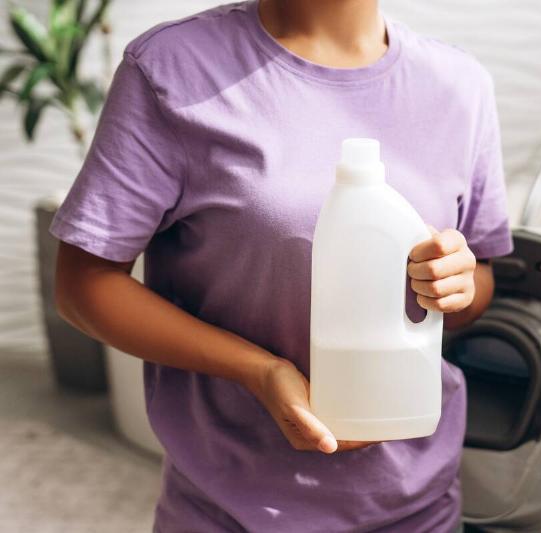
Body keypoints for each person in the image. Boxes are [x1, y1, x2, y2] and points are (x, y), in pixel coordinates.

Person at [52, 1, 513, 531]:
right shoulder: (174, 69)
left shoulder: (459, 86)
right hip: (232, 508)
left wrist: (456, 284)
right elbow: (82, 286)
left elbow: (477, 286)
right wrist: (261, 372)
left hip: (417, 506)